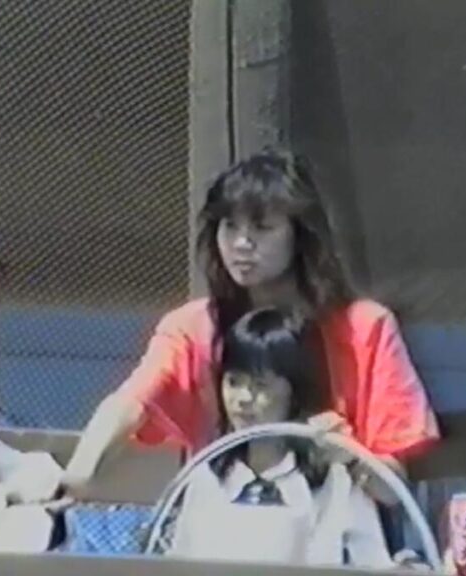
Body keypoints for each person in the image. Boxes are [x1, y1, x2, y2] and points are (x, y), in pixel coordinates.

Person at [61, 149, 440, 506]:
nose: (242, 244)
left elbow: (394, 491)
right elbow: (131, 403)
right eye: (229, 226)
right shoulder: (192, 327)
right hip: (226, 525)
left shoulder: (366, 328)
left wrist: (352, 458)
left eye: (262, 227)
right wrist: (77, 474)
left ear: (300, 235)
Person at [168, 307, 393, 568]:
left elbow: (375, 562)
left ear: (295, 391)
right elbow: (178, 563)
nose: (242, 399)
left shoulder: (334, 481)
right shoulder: (207, 477)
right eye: (233, 382)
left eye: (260, 385)